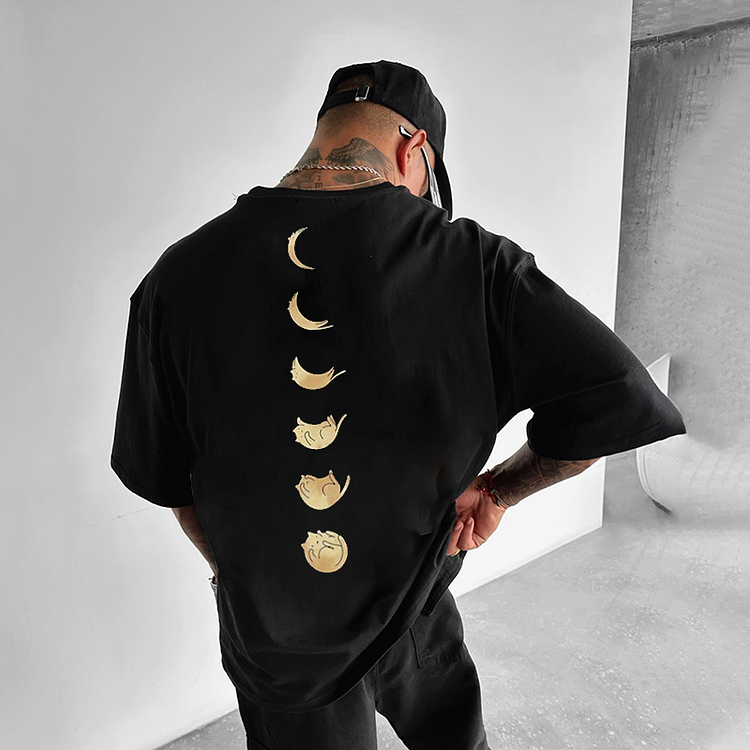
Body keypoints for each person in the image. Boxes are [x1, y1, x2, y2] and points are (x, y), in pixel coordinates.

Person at [110, 60, 687, 750]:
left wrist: (242, 582)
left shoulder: (176, 276)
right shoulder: (473, 264)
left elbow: (170, 480)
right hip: (414, 599)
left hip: (284, 645)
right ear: (417, 150)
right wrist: (499, 491)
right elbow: (618, 398)